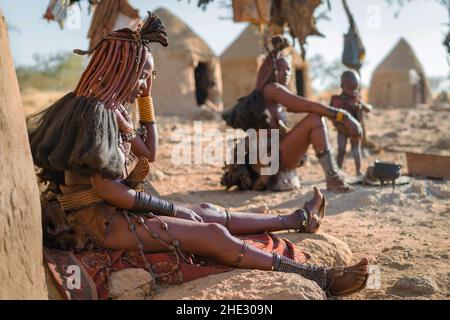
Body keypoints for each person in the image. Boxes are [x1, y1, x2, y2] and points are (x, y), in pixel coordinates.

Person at [29, 12, 368, 298]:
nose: (146, 83)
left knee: (205, 210)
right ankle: (320, 277)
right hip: (96, 224)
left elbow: (150, 152)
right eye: (143, 76)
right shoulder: (93, 114)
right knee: (211, 235)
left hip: (116, 210)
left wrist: (146, 101)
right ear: (122, 70)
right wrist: (172, 209)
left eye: (150, 76)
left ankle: (295, 220)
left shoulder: (113, 111)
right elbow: (107, 191)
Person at [223, 36, 363, 193]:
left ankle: (333, 175)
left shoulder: (272, 97)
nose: (289, 73)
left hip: (271, 159)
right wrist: (344, 116)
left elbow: (306, 106)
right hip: (270, 161)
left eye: (290, 69)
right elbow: (308, 105)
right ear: (274, 70)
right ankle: (333, 178)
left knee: (314, 116)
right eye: (285, 68)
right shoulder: (273, 89)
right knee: (314, 120)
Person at [330, 70, 372, 176]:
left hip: (354, 131)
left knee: (356, 151)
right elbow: (330, 113)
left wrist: (362, 107)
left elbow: (368, 108)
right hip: (342, 130)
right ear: (342, 85)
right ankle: (338, 171)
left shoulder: (356, 99)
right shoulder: (336, 100)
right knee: (341, 150)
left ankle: (358, 171)